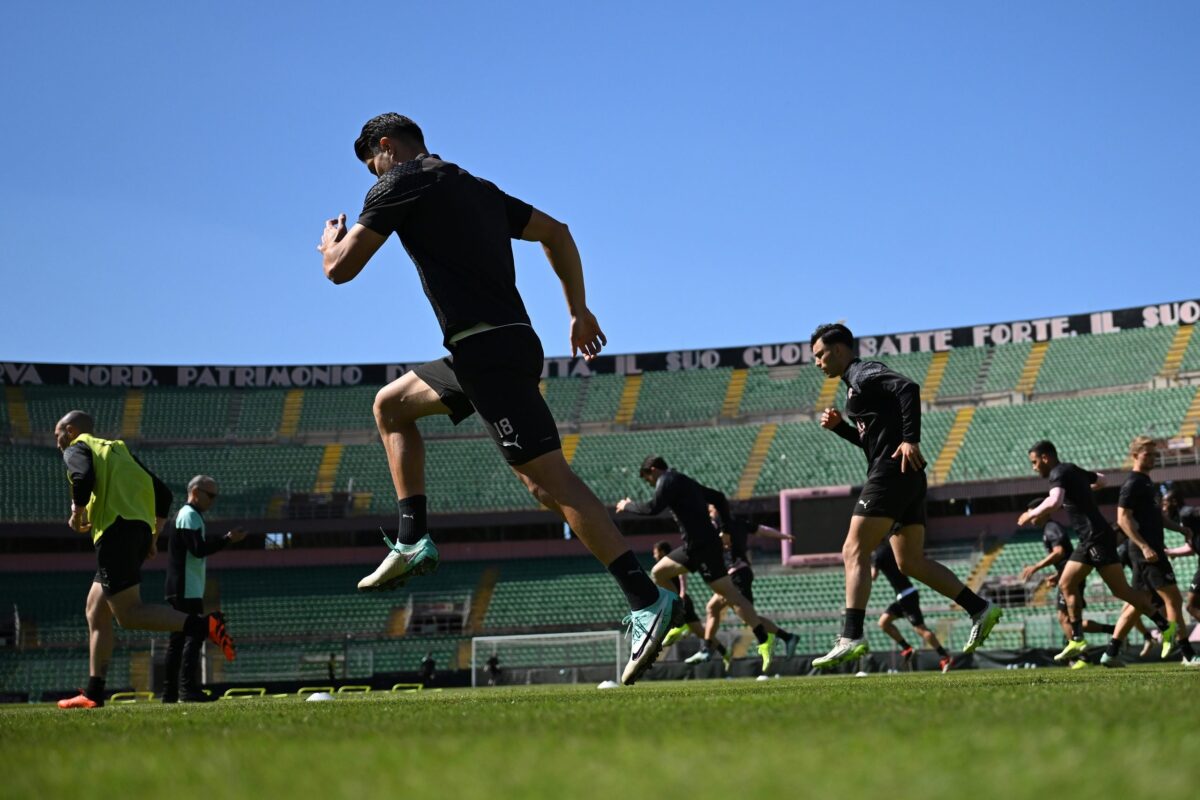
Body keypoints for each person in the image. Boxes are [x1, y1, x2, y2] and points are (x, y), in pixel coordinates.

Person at [318, 113, 677, 685]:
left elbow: (340, 271)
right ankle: (413, 538)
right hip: (492, 348)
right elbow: (557, 231)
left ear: (386, 147)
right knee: (391, 405)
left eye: (372, 161)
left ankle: (646, 601)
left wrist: (329, 243)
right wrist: (577, 310)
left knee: (549, 483)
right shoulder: (475, 187)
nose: (373, 172)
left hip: (487, 352)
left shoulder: (397, 182)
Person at [810, 324, 1001, 668]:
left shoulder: (863, 372)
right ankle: (980, 608)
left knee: (853, 548)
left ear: (838, 350)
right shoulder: (853, 387)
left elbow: (908, 388)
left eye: (820, 355)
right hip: (906, 475)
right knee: (909, 562)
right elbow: (871, 441)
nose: (818, 363)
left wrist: (910, 438)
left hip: (890, 473)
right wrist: (842, 429)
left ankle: (851, 635)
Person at [52, 411, 236, 710]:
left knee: (129, 614)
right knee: (96, 610)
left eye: (57, 434)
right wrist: (151, 538)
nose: (57, 442)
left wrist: (76, 513)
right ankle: (93, 693)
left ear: (69, 430)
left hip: (115, 533)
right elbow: (162, 494)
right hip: (135, 532)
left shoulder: (78, 446)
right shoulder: (119, 450)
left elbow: (81, 476)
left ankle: (205, 626)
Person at [617, 456, 784, 672]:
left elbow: (652, 508)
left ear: (653, 469)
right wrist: (723, 528)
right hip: (707, 545)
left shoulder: (666, 480)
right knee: (730, 594)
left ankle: (680, 617)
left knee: (659, 573)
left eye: (646, 477)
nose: (648, 482)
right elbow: (718, 497)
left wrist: (627, 505)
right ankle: (763, 639)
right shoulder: (684, 480)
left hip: (697, 546)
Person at [1017, 439, 1173, 664]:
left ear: (1045, 457)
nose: (1034, 467)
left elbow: (1054, 501)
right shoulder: (1071, 469)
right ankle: (1078, 639)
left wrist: (1030, 514)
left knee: (1123, 592)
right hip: (1087, 539)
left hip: (1097, 537)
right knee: (1066, 584)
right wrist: (1082, 491)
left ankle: (1164, 626)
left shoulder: (1058, 473)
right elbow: (1102, 480)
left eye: (1034, 462)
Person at [1099, 438, 1198, 668]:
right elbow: (1122, 519)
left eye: (1155, 455)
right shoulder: (1133, 483)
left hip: (1147, 550)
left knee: (1136, 604)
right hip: (1147, 551)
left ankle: (1111, 653)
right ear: (1135, 455)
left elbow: (1157, 518)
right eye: (1148, 455)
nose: (1153, 459)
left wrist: (1180, 528)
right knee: (1173, 598)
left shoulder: (1146, 483)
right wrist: (1144, 546)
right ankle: (1188, 654)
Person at [161, 476, 246, 703]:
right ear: (196, 492)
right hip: (185, 588)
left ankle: (171, 694)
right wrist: (227, 539)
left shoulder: (189, 515)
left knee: (177, 641)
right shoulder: (189, 515)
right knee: (193, 636)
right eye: (211, 495)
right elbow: (198, 549)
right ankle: (187, 690)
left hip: (184, 586)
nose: (213, 501)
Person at [694, 507, 799, 666]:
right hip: (737, 573)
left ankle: (707, 649)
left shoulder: (720, 526)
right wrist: (783, 536)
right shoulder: (740, 522)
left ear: (718, 510)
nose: (710, 514)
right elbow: (762, 530)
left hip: (737, 573)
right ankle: (707, 648)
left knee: (747, 617)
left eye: (711, 510)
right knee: (717, 609)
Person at [1017, 502, 1130, 652]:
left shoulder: (1051, 528)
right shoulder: (1048, 529)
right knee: (1070, 620)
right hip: (1067, 574)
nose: (1030, 517)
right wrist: (1058, 575)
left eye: (1032, 512)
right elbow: (1067, 557)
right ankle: (1114, 631)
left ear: (1043, 512)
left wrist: (1036, 567)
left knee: (1064, 618)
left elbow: (1060, 552)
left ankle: (1079, 653)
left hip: (1071, 577)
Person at [871, 537, 953, 673]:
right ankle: (907, 648)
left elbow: (873, 576)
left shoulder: (877, 555)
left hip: (906, 595)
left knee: (920, 629)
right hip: (904, 595)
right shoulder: (889, 549)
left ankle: (945, 657)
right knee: (883, 623)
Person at [654, 541, 709, 652]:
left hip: (681, 600)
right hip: (679, 600)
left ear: (662, 552)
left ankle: (681, 627)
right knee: (701, 633)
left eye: (655, 552)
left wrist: (682, 593)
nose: (654, 556)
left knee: (700, 632)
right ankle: (723, 652)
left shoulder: (672, 564)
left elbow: (682, 575)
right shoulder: (662, 569)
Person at [1162, 489, 1200, 625]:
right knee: (1191, 606)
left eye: (1165, 504)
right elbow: (1191, 549)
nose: (1163, 508)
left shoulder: (1186, 513)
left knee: (1191, 606)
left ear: (1174, 502)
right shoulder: (1182, 521)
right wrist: (1170, 552)